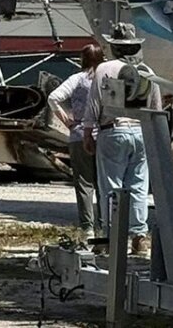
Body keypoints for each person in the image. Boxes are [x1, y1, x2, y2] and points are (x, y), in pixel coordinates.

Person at [85, 22, 162, 257]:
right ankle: (139, 237)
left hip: (113, 130)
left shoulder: (104, 69)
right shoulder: (147, 70)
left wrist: (88, 131)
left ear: (114, 46)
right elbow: (156, 106)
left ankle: (110, 238)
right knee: (138, 186)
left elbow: (95, 102)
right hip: (140, 130)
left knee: (111, 187)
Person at [48, 43, 105, 239]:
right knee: (104, 184)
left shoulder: (77, 79)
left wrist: (67, 121)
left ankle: (87, 227)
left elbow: (53, 98)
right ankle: (104, 225)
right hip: (105, 133)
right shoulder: (106, 78)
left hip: (79, 132)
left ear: (83, 59)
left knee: (84, 183)